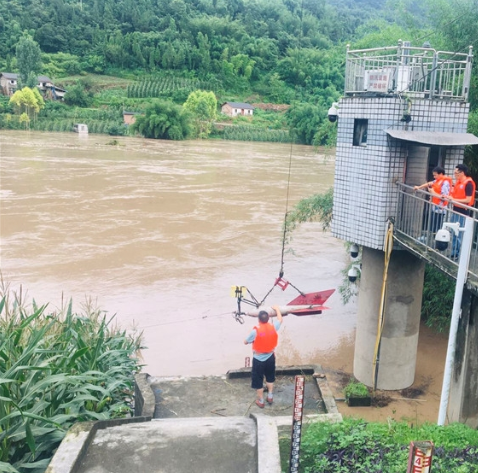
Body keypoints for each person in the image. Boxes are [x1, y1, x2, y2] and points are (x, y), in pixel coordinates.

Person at [244, 305, 283, 408]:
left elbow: (245, 342)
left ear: (259, 319)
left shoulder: (255, 331)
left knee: (258, 380)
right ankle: (270, 396)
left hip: (258, 360)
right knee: (270, 377)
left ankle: (261, 401)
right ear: (268, 319)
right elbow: (280, 319)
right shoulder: (273, 327)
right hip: (270, 357)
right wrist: (277, 309)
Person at [445, 163, 476, 259]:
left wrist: (453, 199)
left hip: (463, 211)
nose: (455, 175)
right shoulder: (458, 182)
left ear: (462, 172)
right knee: (454, 232)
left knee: (458, 233)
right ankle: (455, 252)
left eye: (456, 173)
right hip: (456, 209)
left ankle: (457, 254)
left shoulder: (469, 183)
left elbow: (468, 199)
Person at [414, 166, 451, 234]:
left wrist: (432, 192)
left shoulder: (445, 183)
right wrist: (419, 187)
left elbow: (444, 197)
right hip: (435, 206)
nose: (434, 177)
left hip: (440, 208)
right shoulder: (437, 181)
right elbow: (429, 183)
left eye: (435, 175)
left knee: (437, 226)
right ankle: (432, 238)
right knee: (432, 224)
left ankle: (435, 240)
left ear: (441, 174)